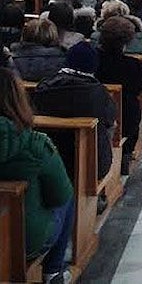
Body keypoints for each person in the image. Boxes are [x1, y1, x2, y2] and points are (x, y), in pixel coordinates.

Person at [0, 68, 74, 283]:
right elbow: (59, 196)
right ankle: (53, 271)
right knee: (68, 198)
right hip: (22, 242)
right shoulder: (35, 145)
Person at [33, 42, 115, 181]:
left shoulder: (44, 87)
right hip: (92, 163)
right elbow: (110, 120)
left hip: (46, 157)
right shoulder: (99, 92)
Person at [95, 17, 142, 175]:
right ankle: (126, 152)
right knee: (133, 107)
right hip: (124, 118)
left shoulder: (94, 59)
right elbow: (140, 87)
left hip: (96, 114)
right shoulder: (133, 65)